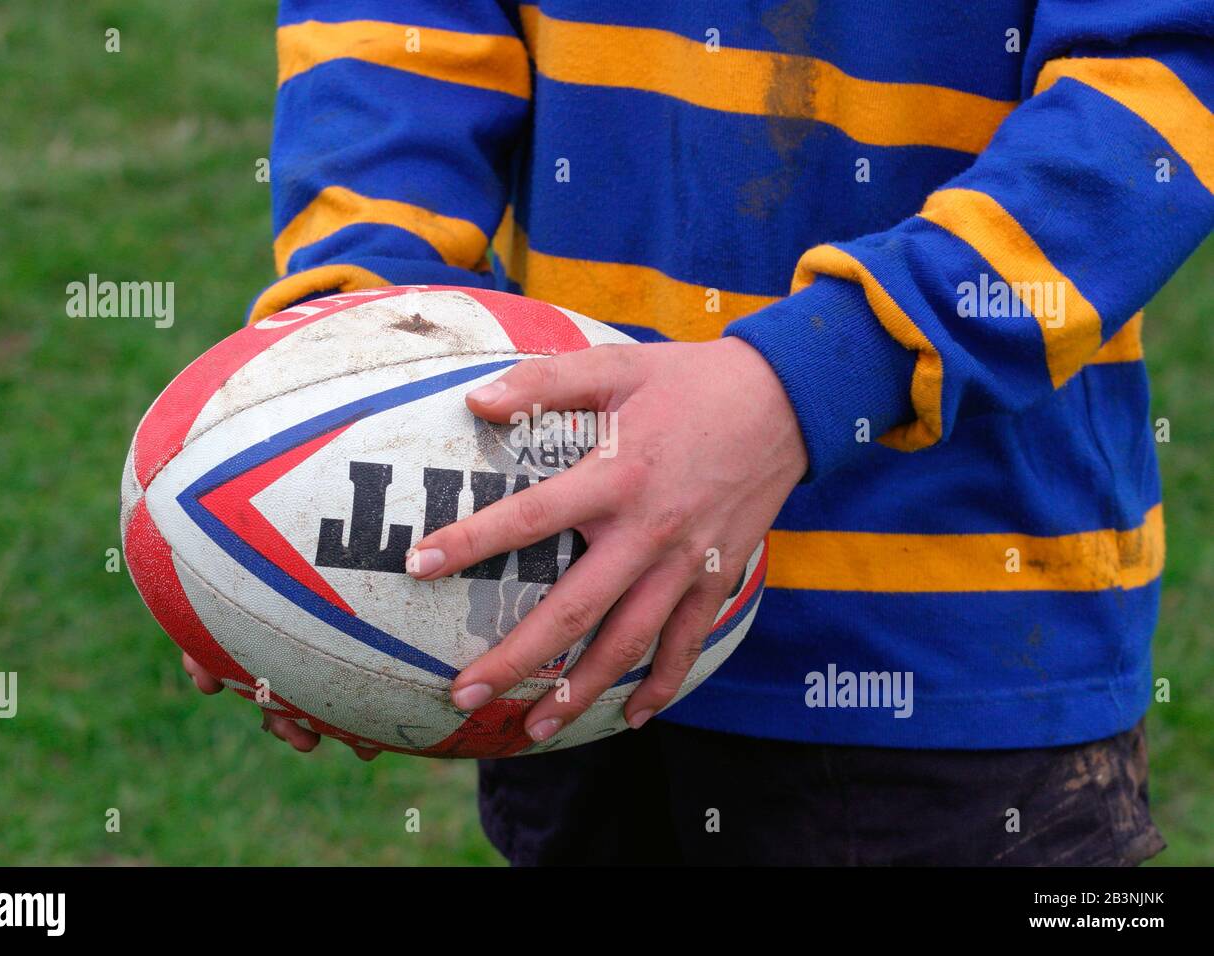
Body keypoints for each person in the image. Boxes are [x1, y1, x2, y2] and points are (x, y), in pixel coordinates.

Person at [183, 0, 1213, 864]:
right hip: (552, 587)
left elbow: (1163, 76)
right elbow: (399, 25)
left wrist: (812, 379)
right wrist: (377, 354)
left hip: (947, 637)